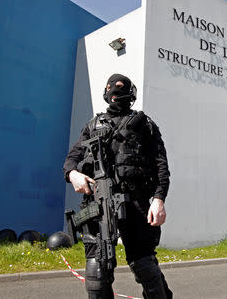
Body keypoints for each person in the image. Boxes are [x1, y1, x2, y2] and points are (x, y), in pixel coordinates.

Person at [63, 73, 172, 299]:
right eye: (111, 88)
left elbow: (161, 166)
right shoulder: (92, 126)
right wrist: (73, 174)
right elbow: (71, 159)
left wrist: (159, 200)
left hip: (136, 204)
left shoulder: (144, 124)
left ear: (130, 92)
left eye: (120, 88)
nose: (115, 91)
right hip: (97, 206)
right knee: (97, 272)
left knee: (145, 267)